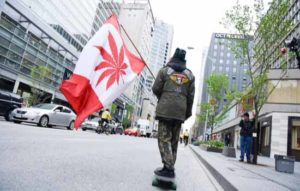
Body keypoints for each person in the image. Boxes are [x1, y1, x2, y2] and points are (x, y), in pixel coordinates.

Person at [152, 48, 195, 178]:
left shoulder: (164, 71)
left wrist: (164, 96)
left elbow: (155, 89)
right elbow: (191, 97)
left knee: (164, 139)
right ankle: (169, 166)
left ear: (173, 58)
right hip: (179, 112)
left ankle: (169, 168)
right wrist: (187, 113)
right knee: (174, 140)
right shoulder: (190, 75)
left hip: (165, 110)